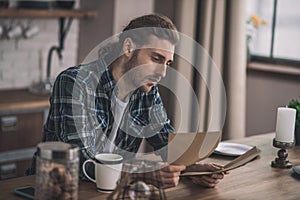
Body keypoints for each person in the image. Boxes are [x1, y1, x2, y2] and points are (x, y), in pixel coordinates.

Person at [26, 13, 227, 188]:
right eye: (156, 58)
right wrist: (139, 176)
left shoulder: (147, 91)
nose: (163, 72)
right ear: (129, 47)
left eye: (167, 63)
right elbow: (80, 162)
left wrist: (192, 170)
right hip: (56, 188)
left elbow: (166, 144)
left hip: (111, 190)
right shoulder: (75, 83)